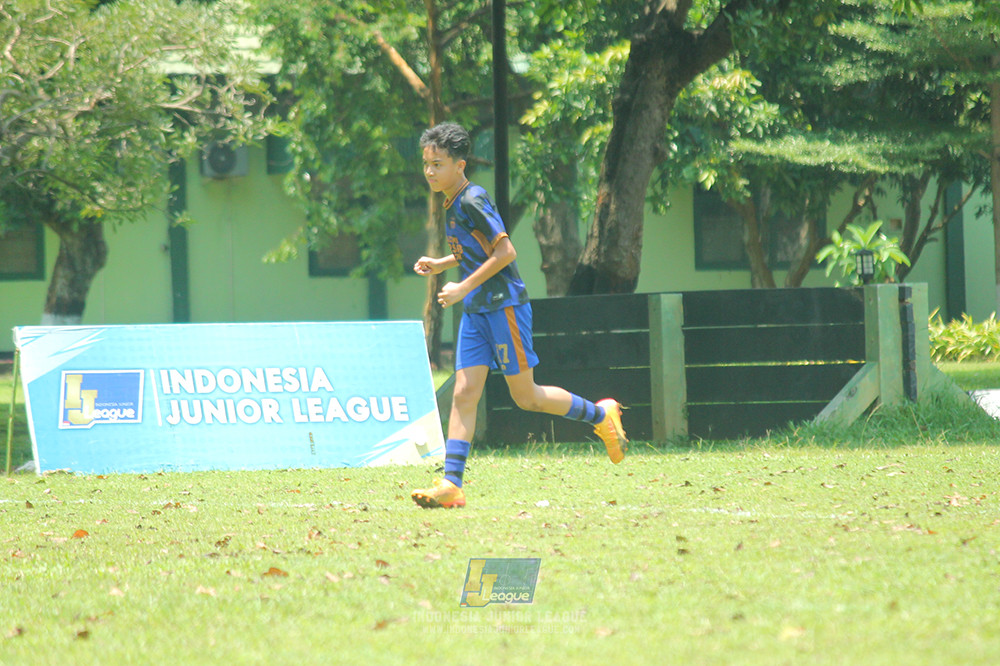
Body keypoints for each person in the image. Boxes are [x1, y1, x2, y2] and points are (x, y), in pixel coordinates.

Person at [410, 122, 627, 509]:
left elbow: (505, 252)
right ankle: (452, 483)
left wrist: (461, 288)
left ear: (460, 166)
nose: (430, 171)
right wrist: (443, 264)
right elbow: (472, 251)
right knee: (463, 392)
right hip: (477, 310)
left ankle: (600, 415)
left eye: (437, 164)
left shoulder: (473, 199)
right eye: (426, 163)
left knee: (527, 397)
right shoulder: (450, 200)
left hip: (503, 305)